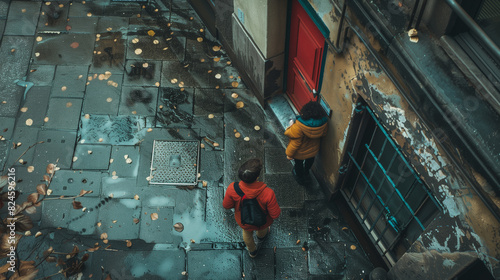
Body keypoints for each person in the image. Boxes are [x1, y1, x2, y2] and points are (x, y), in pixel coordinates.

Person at [223, 158, 281, 258]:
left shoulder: (232, 188)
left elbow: (226, 205)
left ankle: (252, 251)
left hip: (244, 220)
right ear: (257, 177)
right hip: (263, 222)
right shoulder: (268, 193)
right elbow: (275, 214)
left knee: (246, 233)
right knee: (262, 229)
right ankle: (261, 237)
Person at [284, 101, 328, 184]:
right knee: (309, 161)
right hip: (313, 150)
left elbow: (293, 142)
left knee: (298, 165)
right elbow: (324, 134)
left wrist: (291, 125)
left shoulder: (298, 126)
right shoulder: (324, 123)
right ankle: (306, 171)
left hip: (300, 153)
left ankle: (300, 177)